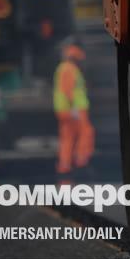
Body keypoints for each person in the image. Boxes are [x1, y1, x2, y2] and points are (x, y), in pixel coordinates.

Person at [53, 43, 95, 180]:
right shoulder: (69, 69)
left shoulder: (63, 68)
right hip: (75, 109)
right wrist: (74, 108)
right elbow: (68, 90)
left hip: (65, 109)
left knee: (67, 138)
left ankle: (64, 166)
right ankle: (81, 162)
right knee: (85, 133)